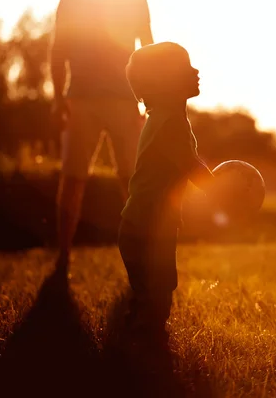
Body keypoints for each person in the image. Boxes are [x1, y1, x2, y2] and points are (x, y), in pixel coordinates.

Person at [50, 0, 153, 273]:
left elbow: (147, 48)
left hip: (123, 99)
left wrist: (149, 96)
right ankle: (64, 256)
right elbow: (59, 49)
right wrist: (58, 99)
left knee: (131, 179)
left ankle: (143, 253)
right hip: (82, 98)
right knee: (75, 177)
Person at [118, 42, 214, 348]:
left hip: (138, 222)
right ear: (164, 81)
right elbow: (191, 166)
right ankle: (147, 350)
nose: (195, 71)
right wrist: (224, 191)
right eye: (186, 67)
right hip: (150, 226)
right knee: (159, 292)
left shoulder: (161, 117)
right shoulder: (170, 122)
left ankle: (136, 337)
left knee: (149, 292)